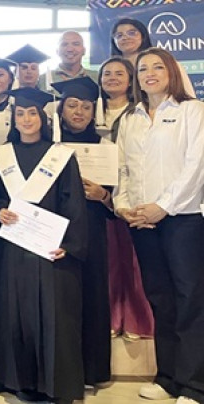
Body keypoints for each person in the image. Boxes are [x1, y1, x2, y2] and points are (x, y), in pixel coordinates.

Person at [113, 47, 204, 404]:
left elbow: (196, 167)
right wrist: (123, 205)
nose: (149, 73)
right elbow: (122, 167)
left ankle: (195, 385)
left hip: (183, 219)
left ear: (172, 72)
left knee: (190, 299)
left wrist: (162, 207)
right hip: (141, 220)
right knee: (161, 299)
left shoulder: (192, 111)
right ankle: (168, 378)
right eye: (142, 69)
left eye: (157, 67)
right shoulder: (131, 118)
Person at [0, 86, 88, 404]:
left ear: (42, 118)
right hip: (13, 248)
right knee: (14, 313)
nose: (26, 119)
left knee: (53, 316)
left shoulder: (61, 156)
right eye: (20, 114)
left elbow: (74, 203)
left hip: (49, 249)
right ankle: (18, 382)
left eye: (32, 113)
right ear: (14, 119)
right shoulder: (0, 155)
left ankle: (54, 385)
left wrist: (69, 244)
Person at [52, 76, 114, 389]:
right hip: (57, 228)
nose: (78, 112)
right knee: (60, 298)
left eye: (86, 107)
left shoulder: (106, 148)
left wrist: (103, 195)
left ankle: (91, 371)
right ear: (61, 109)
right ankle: (61, 370)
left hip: (91, 229)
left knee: (92, 295)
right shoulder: (51, 146)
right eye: (72, 105)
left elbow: (119, 197)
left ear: (94, 111)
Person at [98, 57, 154, 340]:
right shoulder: (90, 110)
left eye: (120, 73)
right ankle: (110, 317)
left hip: (129, 190)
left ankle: (136, 321)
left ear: (131, 80)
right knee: (108, 259)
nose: (112, 78)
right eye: (107, 73)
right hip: (97, 192)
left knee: (132, 260)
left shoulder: (139, 113)